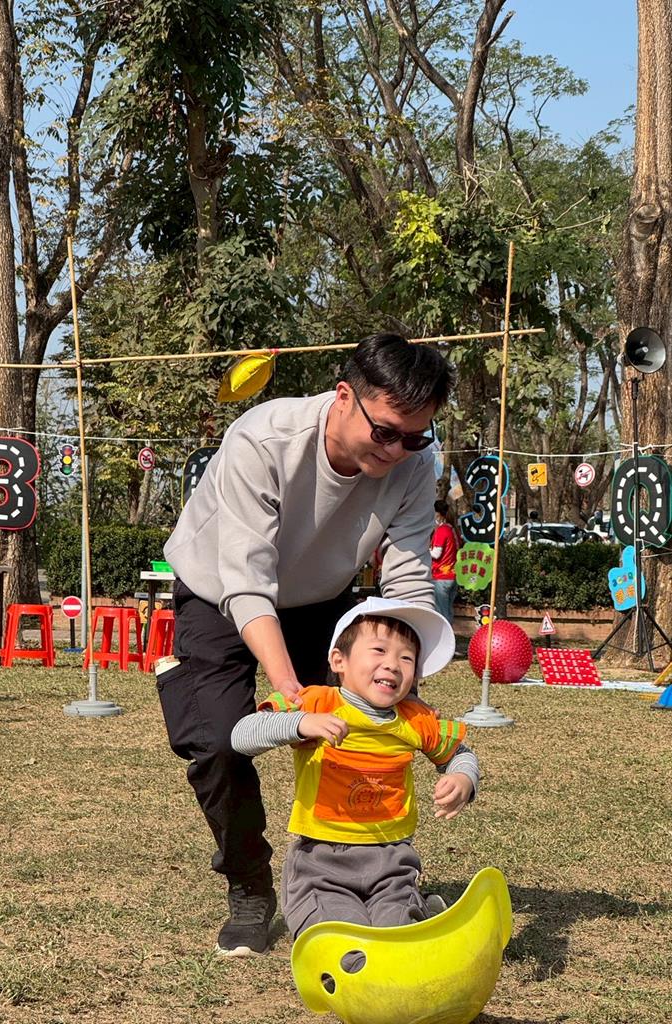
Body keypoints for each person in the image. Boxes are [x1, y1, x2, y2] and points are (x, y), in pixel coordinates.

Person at [159, 333, 455, 956]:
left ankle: (360, 878)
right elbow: (246, 583)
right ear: (345, 397)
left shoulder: (413, 464)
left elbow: (407, 581)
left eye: (415, 437)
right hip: (220, 594)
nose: (397, 450)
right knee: (219, 742)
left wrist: (406, 683)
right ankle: (249, 883)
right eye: (385, 432)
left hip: (322, 599)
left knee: (362, 729)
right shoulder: (263, 439)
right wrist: (290, 690)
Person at [231, 597, 479, 938]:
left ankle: (414, 912)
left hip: (392, 861)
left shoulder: (416, 719)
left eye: (406, 658)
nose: (392, 664)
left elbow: (460, 754)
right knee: (341, 935)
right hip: (321, 862)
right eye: (379, 650)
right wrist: (301, 723)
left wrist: (463, 776)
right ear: (339, 660)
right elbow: (241, 735)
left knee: (397, 934)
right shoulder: (316, 702)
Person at [430, 499, 461, 624]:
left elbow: (436, 554)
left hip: (441, 577)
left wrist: (424, 550)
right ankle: (450, 634)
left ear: (437, 513)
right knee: (448, 611)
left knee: (441, 613)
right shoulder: (453, 530)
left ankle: (445, 635)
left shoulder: (442, 530)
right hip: (452, 576)